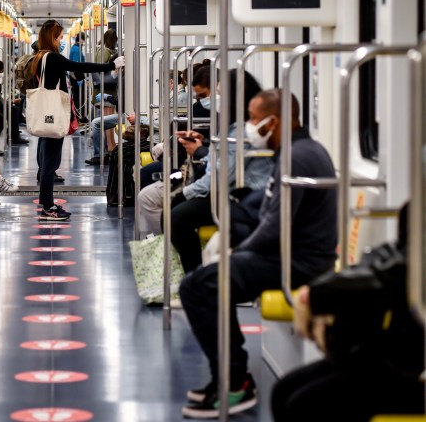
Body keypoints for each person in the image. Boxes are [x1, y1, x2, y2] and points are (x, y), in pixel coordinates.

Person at [179, 89, 338, 418]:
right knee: (205, 283)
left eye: (253, 119)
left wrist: (237, 251)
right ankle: (230, 378)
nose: (250, 126)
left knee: (199, 287)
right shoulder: (294, 151)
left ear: (273, 121)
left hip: (298, 261)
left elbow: (275, 226)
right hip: (288, 252)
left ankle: (236, 383)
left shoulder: (297, 157)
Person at [271, 203, 425, 421]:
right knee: (284, 392)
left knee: (304, 405)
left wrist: (319, 296)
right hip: (403, 354)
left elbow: (405, 272)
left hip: (413, 366)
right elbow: (390, 254)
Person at [168, 69, 272, 272]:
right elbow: (221, 163)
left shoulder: (242, 130)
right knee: (173, 209)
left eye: (220, 95)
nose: (216, 101)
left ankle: (196, 277)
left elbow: (222, 176)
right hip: (231, 189)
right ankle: (191, 276)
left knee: (176, 216)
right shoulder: (234, 127)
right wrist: (204, 143)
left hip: (243, 196)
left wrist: (187, 192)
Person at [32, 19, 124, 220]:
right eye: (59, 37)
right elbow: (79, 65)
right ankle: (47, 207)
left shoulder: (40, 58)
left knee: (48, 160)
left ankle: (47, 203)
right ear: (52, 38)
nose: (61, 40)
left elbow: (67, 74)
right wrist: (111, 64)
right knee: (50, 163)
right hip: (54, 115)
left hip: (47, 114)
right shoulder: (53, 58)